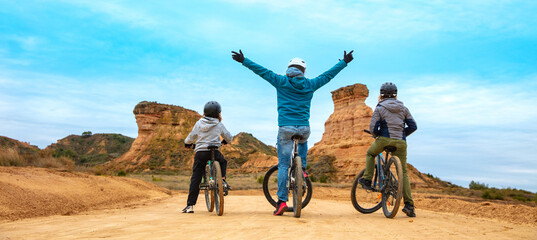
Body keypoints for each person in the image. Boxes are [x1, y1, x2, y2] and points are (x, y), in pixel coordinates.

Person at [231, 49, 354, 215]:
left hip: (285, 128)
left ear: (289, 69)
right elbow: (328, 76)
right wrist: (344, 62)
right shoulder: (310, 84)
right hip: (304, 128)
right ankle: (302, 168)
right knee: (303, 141)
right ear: (303, 71)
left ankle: (281, 202)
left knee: (283, 165)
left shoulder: (280, 81)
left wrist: (244, 60)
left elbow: (262, 71)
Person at [357, 82, 418, 217]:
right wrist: (401, 135)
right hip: (401, 142)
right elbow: (413, 126)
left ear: (381, 94)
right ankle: (409, 206)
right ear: (396, 95)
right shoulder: (404, 108)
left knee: (370, 153)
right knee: (404, 172)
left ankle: (367, 179)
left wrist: (377, 135)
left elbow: (373, 127)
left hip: (384, 139)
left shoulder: (380, 108)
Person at [182, 101, 233, 213]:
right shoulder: (219, 124)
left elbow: (191, 137)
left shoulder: (199, 123)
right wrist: (224, 141)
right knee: (223, 161)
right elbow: (229, 137)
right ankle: (223, 180)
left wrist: (187, 143)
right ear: (218, 113)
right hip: (214, 151)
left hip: (200, 152)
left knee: (196, 177)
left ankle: (190, 206)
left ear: (204, 113)